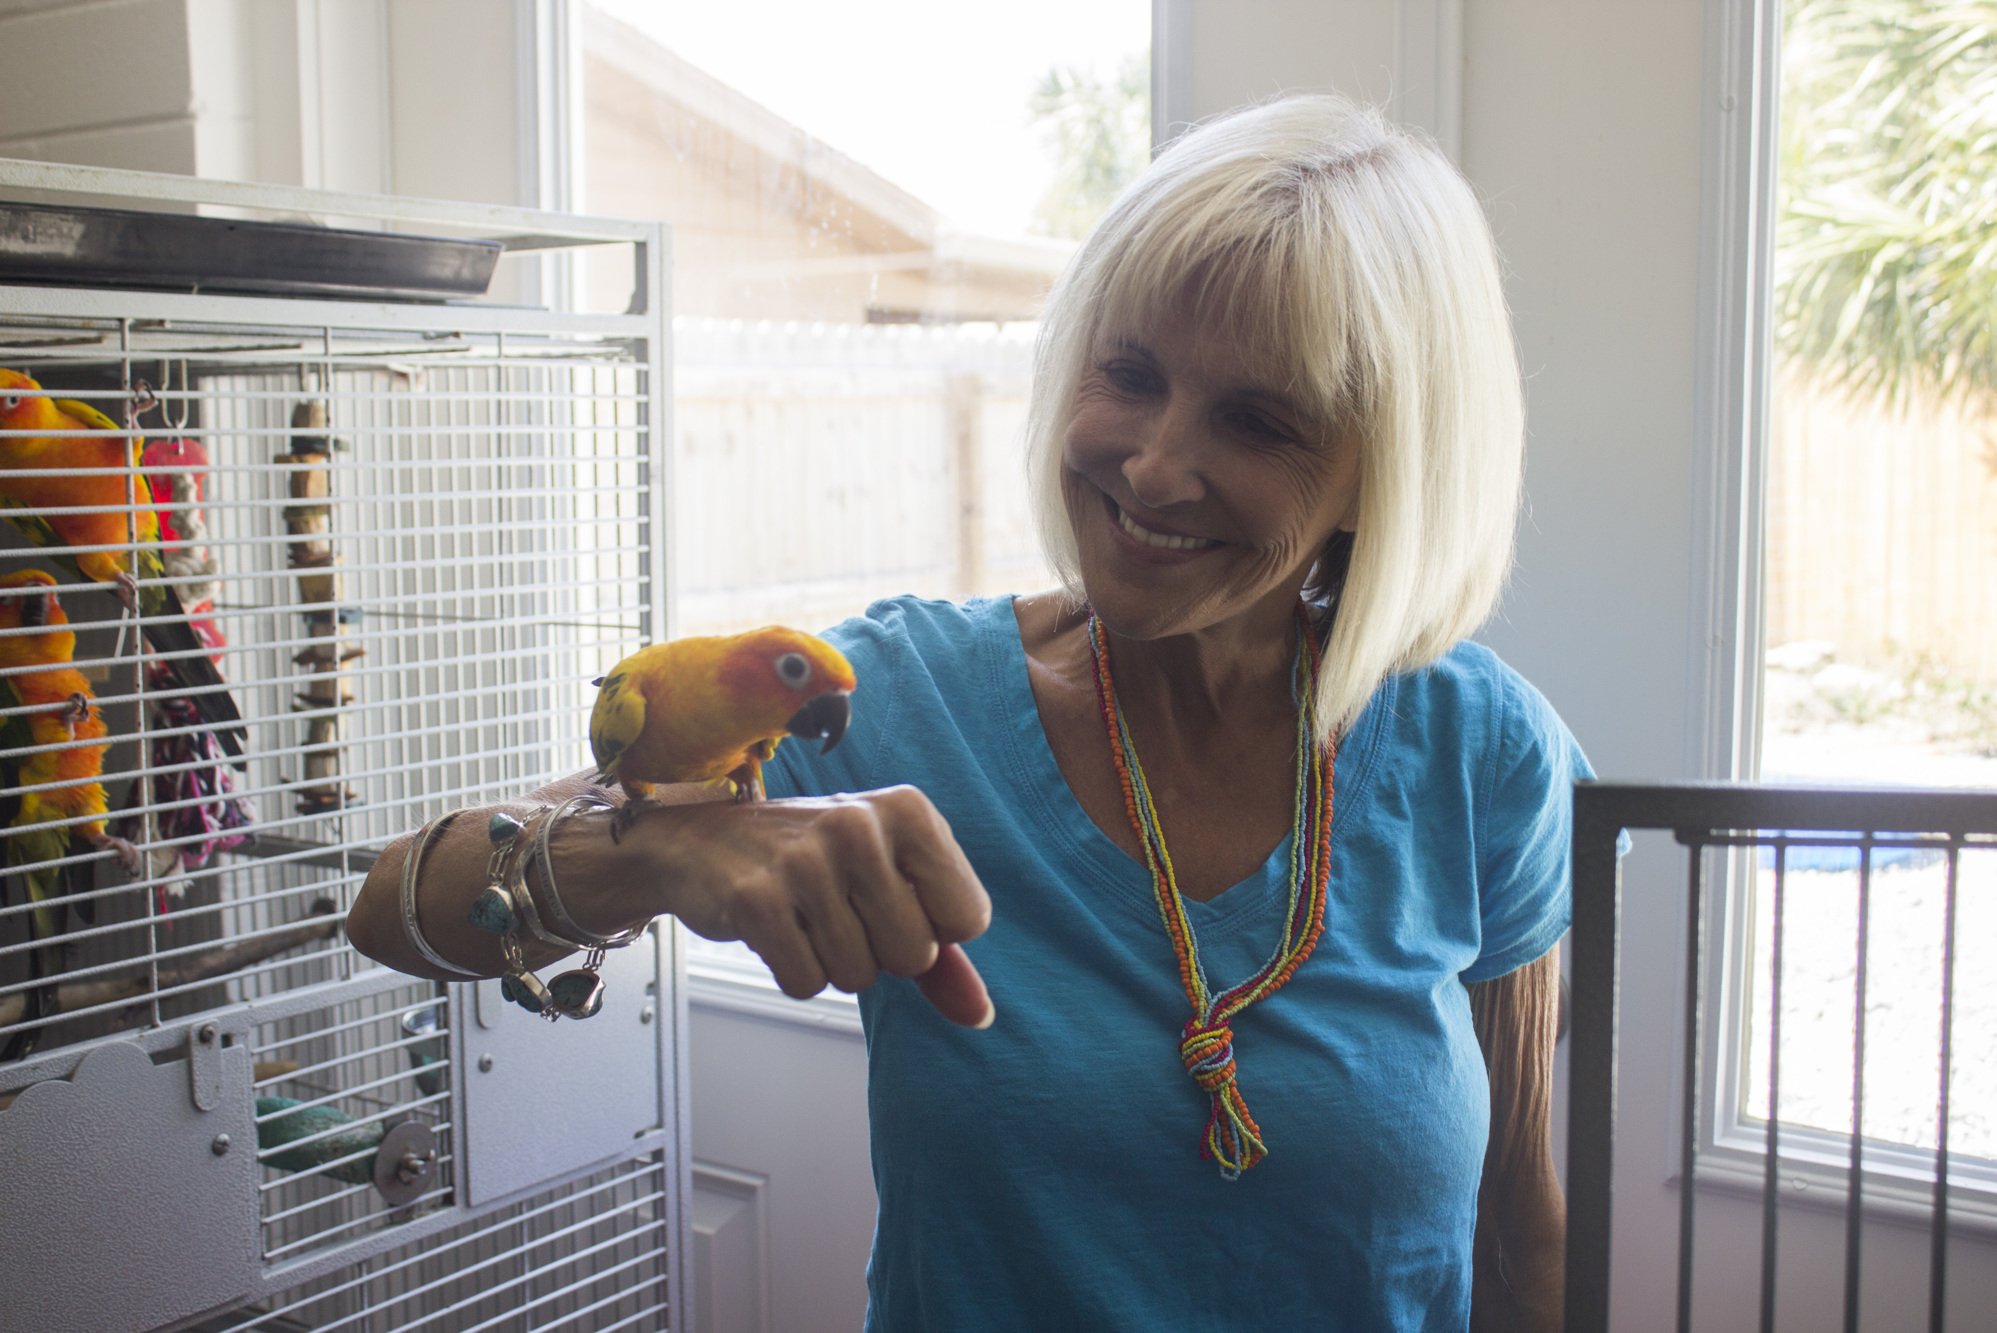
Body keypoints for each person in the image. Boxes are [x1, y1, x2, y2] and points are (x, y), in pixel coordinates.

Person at [349, 93, 1589, 1333]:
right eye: (1131, 374)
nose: (1152, 466)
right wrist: (670, 850)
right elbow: (400, 903)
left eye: (1258, 420)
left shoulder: (1480, 752)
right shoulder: (890, 703)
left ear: (1390, 466)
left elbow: (1518, 1215)